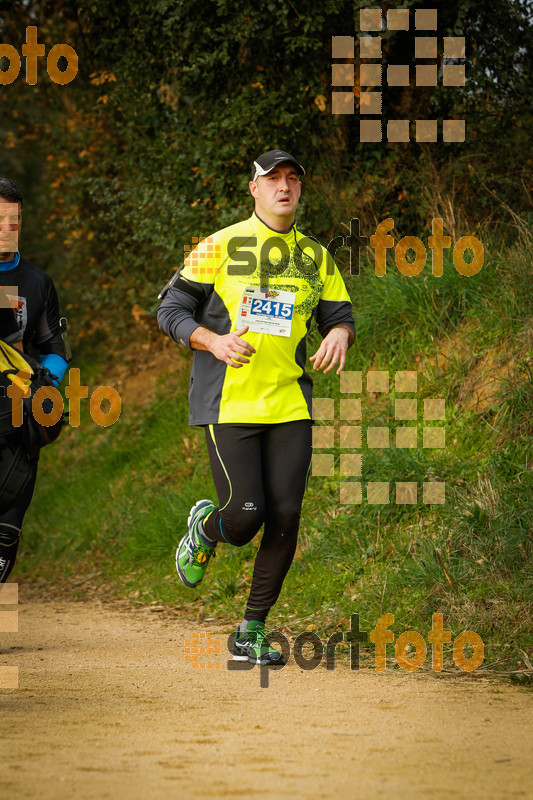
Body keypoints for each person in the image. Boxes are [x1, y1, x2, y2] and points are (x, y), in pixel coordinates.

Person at [158, 150, 355, 664]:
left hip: (290, 403)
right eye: (272, 179)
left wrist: (338, 333)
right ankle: (206, 528)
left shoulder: (315, 257)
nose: (283, 187)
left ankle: (251, 629)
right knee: (245, 515)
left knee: (285, 515)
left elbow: (341, 314)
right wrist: (212, 340)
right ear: (254, 189)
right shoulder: (220, 245)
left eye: (293, 178)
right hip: (229, 402)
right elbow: (169, 309)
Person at [0, 177, 70, 583]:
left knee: (6, 532)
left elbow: (54, 349)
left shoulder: (37, 283)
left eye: (14, 220)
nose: (7, 228)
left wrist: (46, 390)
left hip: (17, 421)